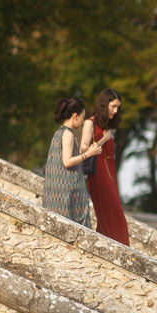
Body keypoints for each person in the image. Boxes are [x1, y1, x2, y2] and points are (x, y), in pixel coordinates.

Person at [42, 97, 102, 227]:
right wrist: (89, 154)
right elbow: (67, 162)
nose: (82, 121)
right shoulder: (67, 134)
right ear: (75, 116)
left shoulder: (58, 133)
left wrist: (84, 152)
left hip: (56, 190)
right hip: (67, 191)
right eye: (82, 117)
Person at [82, 88, 129, 244]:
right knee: (115, 216)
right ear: (104, 105)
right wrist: (103, 139)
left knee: (111, 215)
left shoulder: (108, 126)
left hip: (110, 171)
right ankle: (121, 249)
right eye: (113, 106)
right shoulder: (90, 123)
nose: (116, 111)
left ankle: (104, 245)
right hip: (98, 172)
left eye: (118, 108)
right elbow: (84, 150)